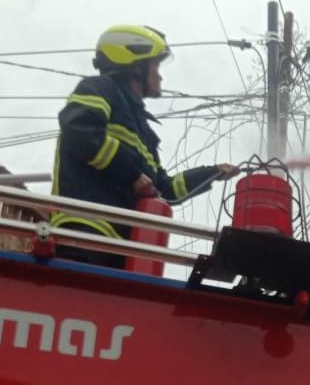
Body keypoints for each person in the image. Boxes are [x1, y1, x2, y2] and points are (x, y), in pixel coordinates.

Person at [50, 24, 239, 268]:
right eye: (155, 65)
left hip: (123, 246)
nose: (160, 75)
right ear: (135, 63)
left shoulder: (143, 132)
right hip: (86, 232)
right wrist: (132, 174)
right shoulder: (99, 89)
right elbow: (80, 132)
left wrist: (213, 172)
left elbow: (165, 190)